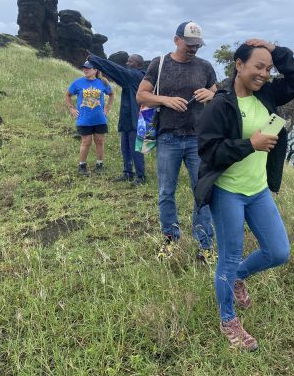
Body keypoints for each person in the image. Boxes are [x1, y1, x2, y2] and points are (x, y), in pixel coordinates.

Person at [195, 38, 294, 350]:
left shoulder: (268, 94)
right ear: (239, 65)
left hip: (258, 190)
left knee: (278, 251)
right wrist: (250, 145)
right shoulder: (220, 104)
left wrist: (276, 49)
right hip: (227, 191)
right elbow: (208, 150)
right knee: (229, 256)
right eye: (258, 66)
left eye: (269, 68)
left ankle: (236, 278)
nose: (264, 73)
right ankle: (228, 319)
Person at [136, 21, 217, 262]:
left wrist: (211, 94)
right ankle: (170, 240)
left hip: (197, 138)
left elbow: (217, 91)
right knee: (166, 191)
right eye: (189, 44)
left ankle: (204, 245)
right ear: (176, 40)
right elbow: (141, 95)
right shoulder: (159, 64)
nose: (193, 49)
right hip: (168, 137)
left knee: (202, 191)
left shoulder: (205, 67)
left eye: (197, 45)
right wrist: (166, 100)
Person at [87, 52, 147, 185]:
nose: (127, 63)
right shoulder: (131, 77)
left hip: (135, 119)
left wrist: (94, 59)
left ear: (138, 65)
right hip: (127, 118)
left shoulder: (136, 75)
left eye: (130, 61)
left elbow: (115, 69)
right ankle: (127, 172)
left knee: (135, 148)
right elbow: (115, 72)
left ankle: (141, 176)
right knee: (125, 147)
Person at [66, 61, 114, 176]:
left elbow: (111, 94)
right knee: (86, 142)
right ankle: (82, 166)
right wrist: (71, 108)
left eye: (88, 68)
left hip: (99, 119)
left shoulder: (103, 82)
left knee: (99, 141)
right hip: (84, 119)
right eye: (84, 68)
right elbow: (67, 95)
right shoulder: (77, 83)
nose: (85, 70)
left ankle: (100, 165)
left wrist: (108, 107)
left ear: (95, 70)